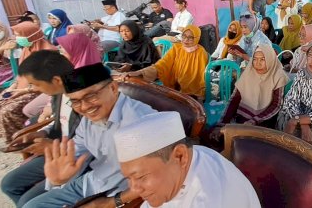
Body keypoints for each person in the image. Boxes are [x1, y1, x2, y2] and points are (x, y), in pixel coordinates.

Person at [22, 63, 154, 208]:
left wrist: (111, 202)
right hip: (91, 181)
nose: (84, 107)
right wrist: (60, 177)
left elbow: (157, 177)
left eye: (91, 96)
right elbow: (77, 151)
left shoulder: (140, 121)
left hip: (120, 193)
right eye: (75, 101)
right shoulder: (90, 118)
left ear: (113, 88)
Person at [114, 112, 261, 208]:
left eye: (140, 177)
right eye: (129, 178)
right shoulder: (190, 157)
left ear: (180, 156)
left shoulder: (214, 200)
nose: (134, 189)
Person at [0, 51, 78, 207]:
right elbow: (59, 121)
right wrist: (42, 132)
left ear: (56, 80)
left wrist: (51, 146)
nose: (34, 89)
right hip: (58, 150)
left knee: (27, 203)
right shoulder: (59, 93)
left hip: (77, 158)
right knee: (9, 184)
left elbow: (95, 144)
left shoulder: (87, 101)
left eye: (36, 84)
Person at [0, 22, 56, 142]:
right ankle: (10, 136)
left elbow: (47, 81)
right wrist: (14, 86)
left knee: (7, 110)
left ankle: (21, 138)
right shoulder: (26, 49)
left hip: (38, 89)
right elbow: (21, 72)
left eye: (19, 35)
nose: (17, 39)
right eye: (16, 35)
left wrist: (21, 91)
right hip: (21, 86)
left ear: (30, 35)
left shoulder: (48, 52)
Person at [126, 25, 208, 99]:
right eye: (184, 36)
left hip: (193, 93)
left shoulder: (201, 52)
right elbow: (162, 64)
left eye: (190, 38)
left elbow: (197, 78)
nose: (186, 40)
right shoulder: (177, 48)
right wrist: (139, 73)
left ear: (197, 38)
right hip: (176, 86)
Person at [220, 44, 288, 127]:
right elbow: (235, 99)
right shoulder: (249, 71)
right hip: (241, 119)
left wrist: (254, 120)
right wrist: (222, 123)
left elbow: (276, 105)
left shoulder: (278, 76)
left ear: (270, 60)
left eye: (262, 59)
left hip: (263, 123)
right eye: (255, 59)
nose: (257, 63)